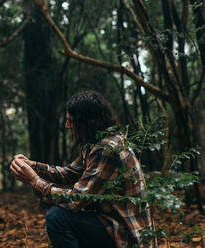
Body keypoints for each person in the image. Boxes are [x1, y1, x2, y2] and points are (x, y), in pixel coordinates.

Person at [10, 90, 153, 248]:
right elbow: (69, 173)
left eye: (71, 121)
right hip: (112, 225)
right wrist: (34, 166)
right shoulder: (96, 143)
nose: (67, 126)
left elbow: (76, 200)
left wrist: (34, 180)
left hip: (126, 237)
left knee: (57, 218)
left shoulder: (108, 149)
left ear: (89, 122)